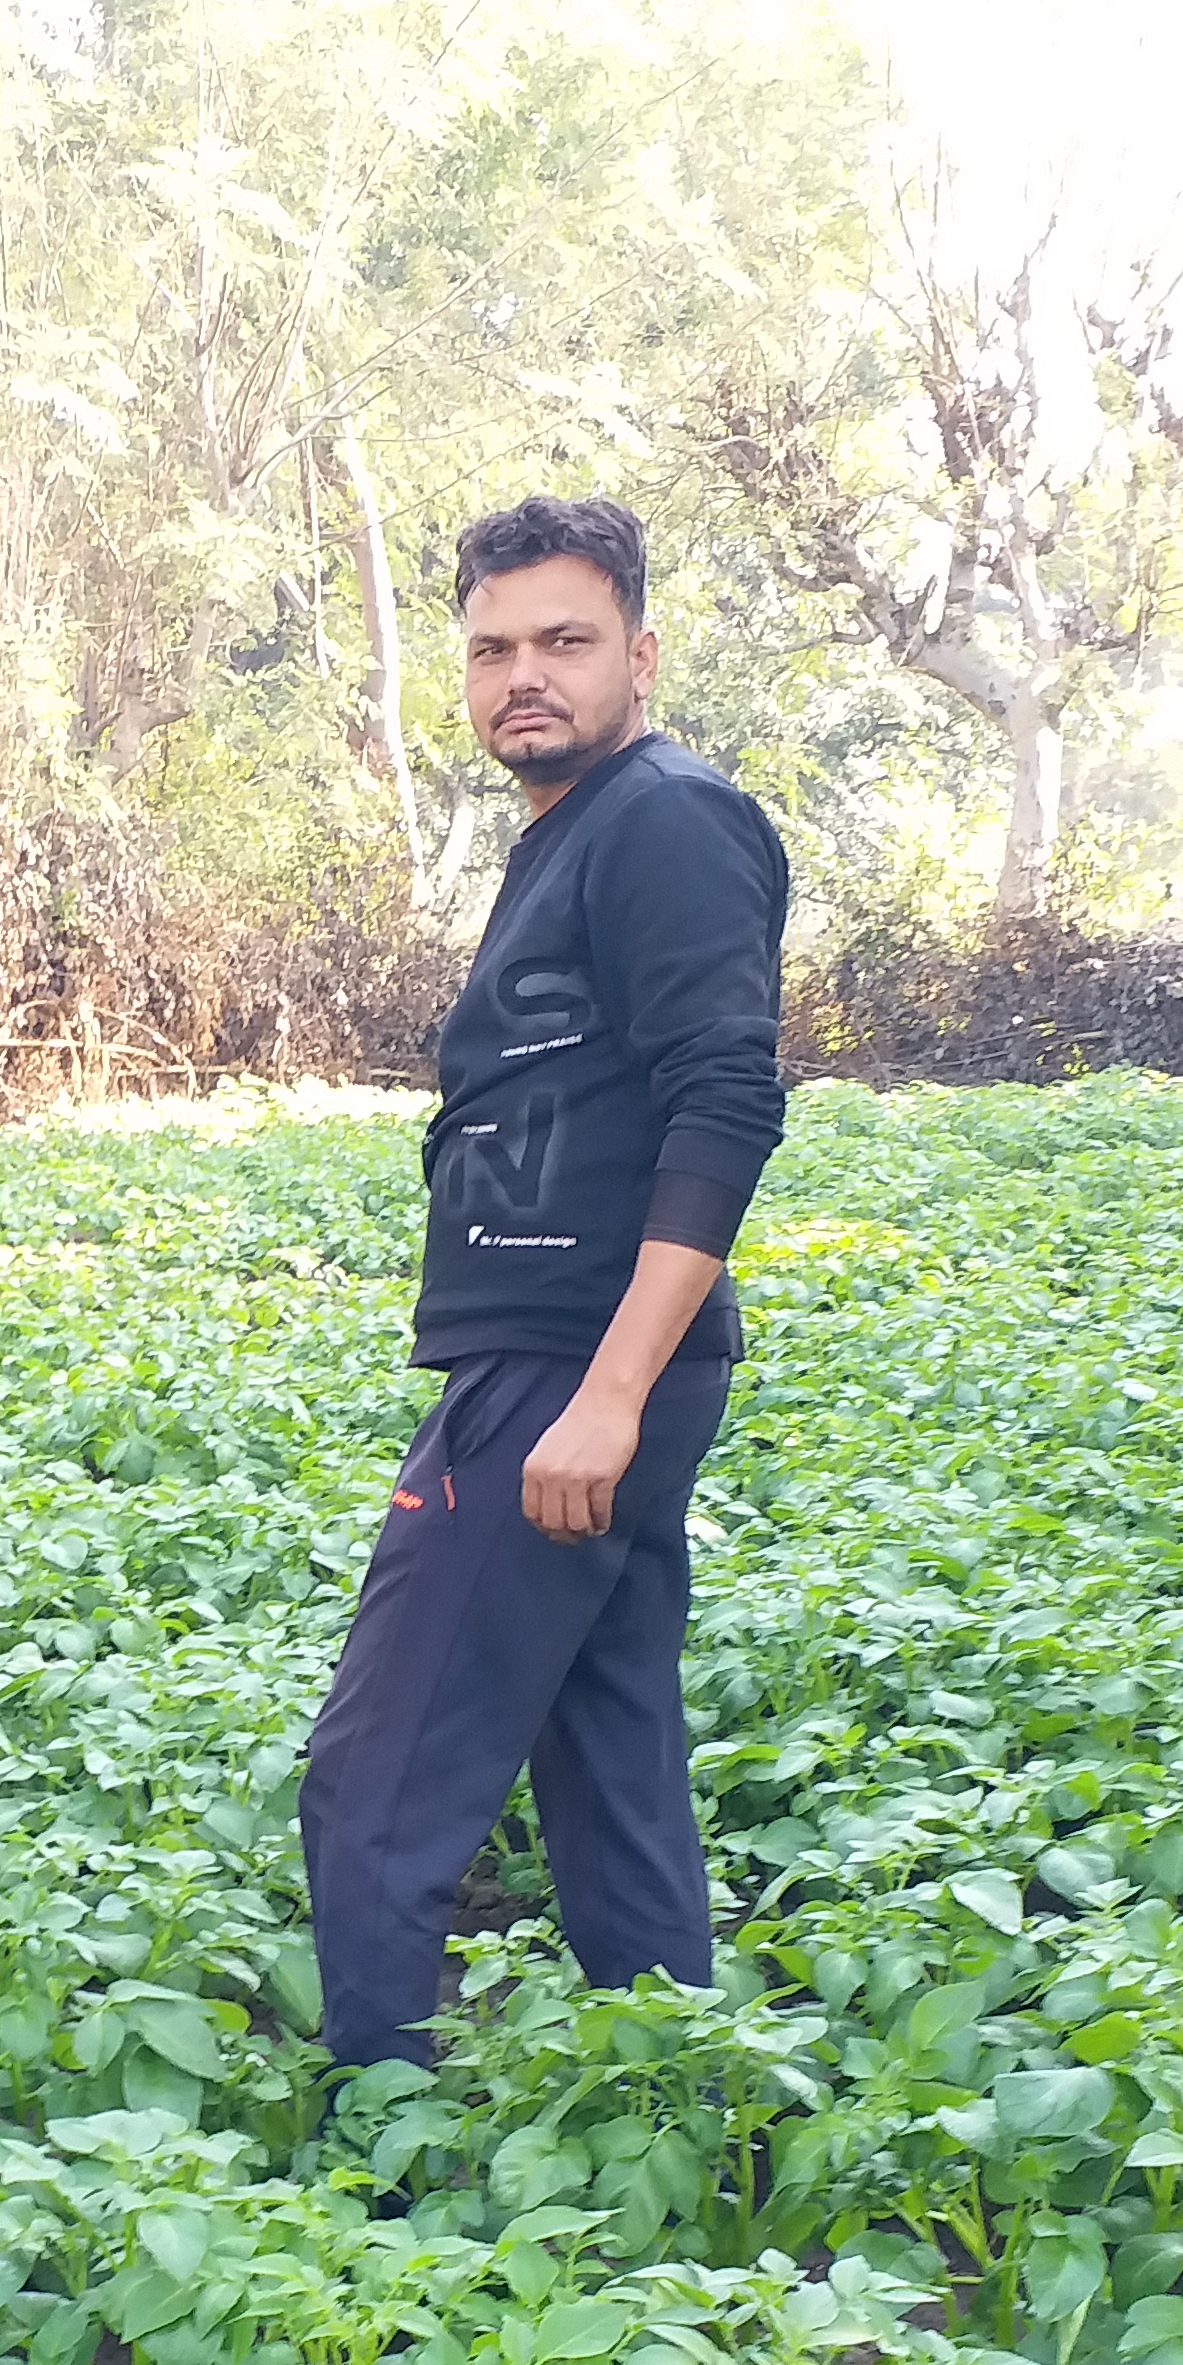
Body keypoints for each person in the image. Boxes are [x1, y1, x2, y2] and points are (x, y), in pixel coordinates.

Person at [294, 495, 790, 2071]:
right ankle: (673, 2100)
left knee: (372, 1786)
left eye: (566, 642)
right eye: (495, 647)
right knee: (607, 1754)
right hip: (584, 1364)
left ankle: (376, 2175)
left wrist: (610, 1395)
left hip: (575, 1369)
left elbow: (729, 1098)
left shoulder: (666, 820)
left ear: (639, 654)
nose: (527, 675)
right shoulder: (575, 829)